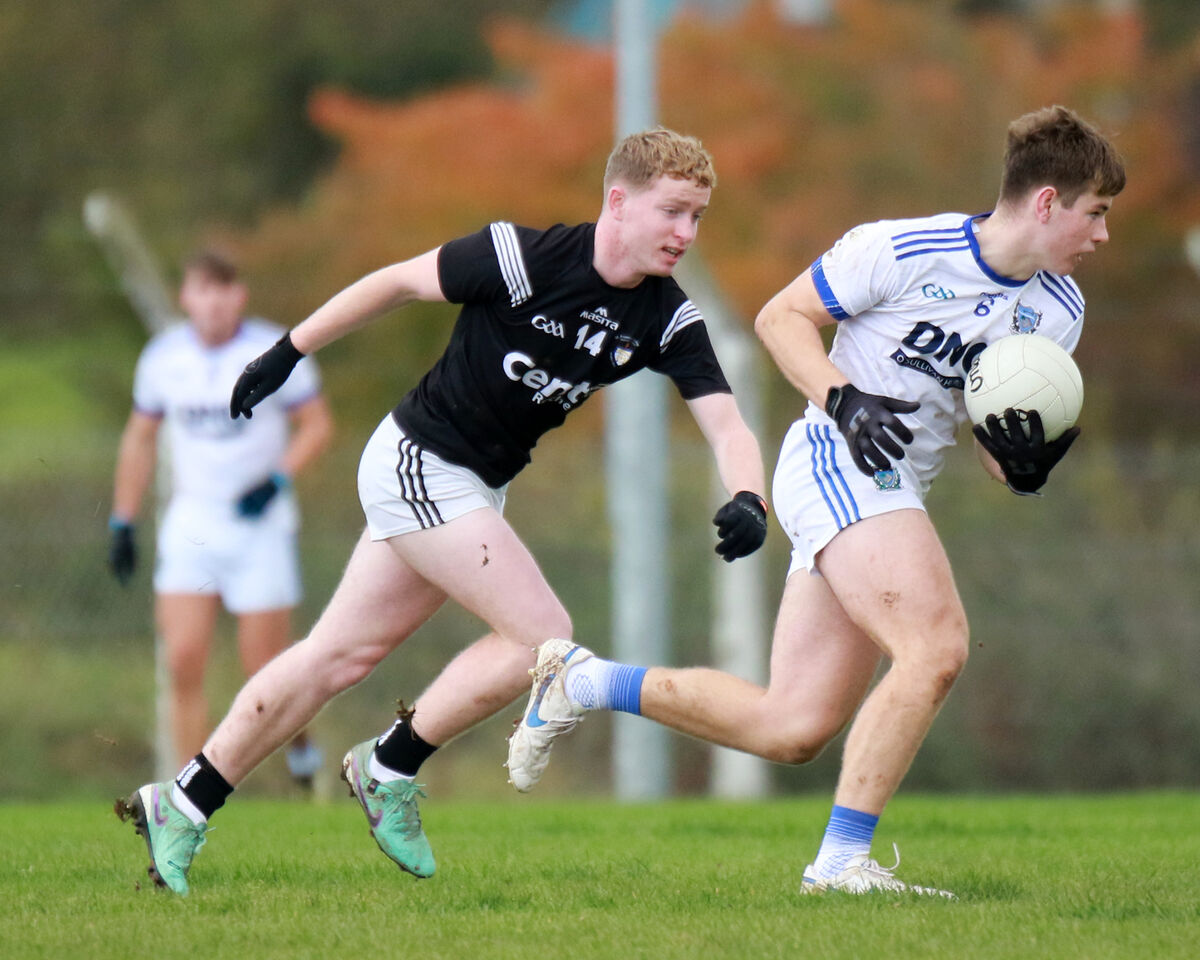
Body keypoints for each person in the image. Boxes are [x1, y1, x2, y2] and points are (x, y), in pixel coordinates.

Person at [115, 128, 769, 896]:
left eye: (698, 217)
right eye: (673, 212)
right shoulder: (521, 260)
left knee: (336, 657)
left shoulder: (664, 317)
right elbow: (393, 283)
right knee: (544, 637)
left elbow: (726, 422)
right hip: (417, 462)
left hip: (468, 488)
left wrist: (750, 496)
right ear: (618, 202)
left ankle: (184, 802)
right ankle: (389, 765)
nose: (686, 234)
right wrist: (290, 349)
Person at [506, 105, 1126, 897]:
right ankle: (840, 865)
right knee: (935, 647)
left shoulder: (1058, 312)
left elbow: (991, 445)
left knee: (790, 727)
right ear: (1047, 203)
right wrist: (844, 400)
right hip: (835, 460)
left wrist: (1024, 467)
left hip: (892, 489)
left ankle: (583, 681)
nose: (1102, 236)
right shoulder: (902, 249)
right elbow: (781, 316)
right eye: (1096, 214)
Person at [108, 251, 334, 783]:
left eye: (223, 290)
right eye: (201, 290)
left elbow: (317, 426)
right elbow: (140, 437)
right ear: (185, 297)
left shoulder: (274, 349)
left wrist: (277, 478)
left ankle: (302, 749)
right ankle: (189, 794)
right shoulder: (163, 358)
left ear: (240, 296)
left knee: (267, 670)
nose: (212, 302)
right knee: (184, 661)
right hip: (194, 524)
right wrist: (123, 519)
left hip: (260, 525)